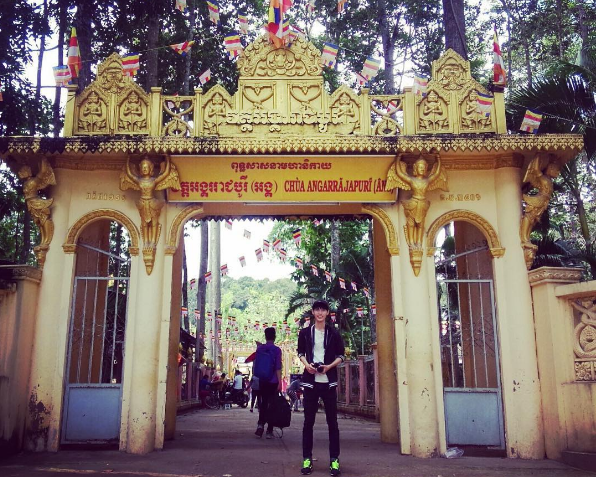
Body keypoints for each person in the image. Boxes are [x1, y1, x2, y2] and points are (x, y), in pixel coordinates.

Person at [297, 300, 345, 476]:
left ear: (327, 313)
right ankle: (307, 459)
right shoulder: (305, 333)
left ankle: (334, 460)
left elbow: (341, 355)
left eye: (322, 310)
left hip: (328, 382)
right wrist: (307, 365)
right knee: (308, 422)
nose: (319, 313)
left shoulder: (333, 333)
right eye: (317, 309)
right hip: (310, 383)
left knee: (332, 422)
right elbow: (300, 352)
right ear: (313, 312)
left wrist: (328, 367)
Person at [253, 327, 282, 439]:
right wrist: (279, 382)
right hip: (273, 381)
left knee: (263, 403)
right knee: (272, 405)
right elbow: (278, 367)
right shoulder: (277, 350)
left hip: (262, 380)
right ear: (275, 337)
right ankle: (269, 431)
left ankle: (260, 425)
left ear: (265, 336)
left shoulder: (260, 349)